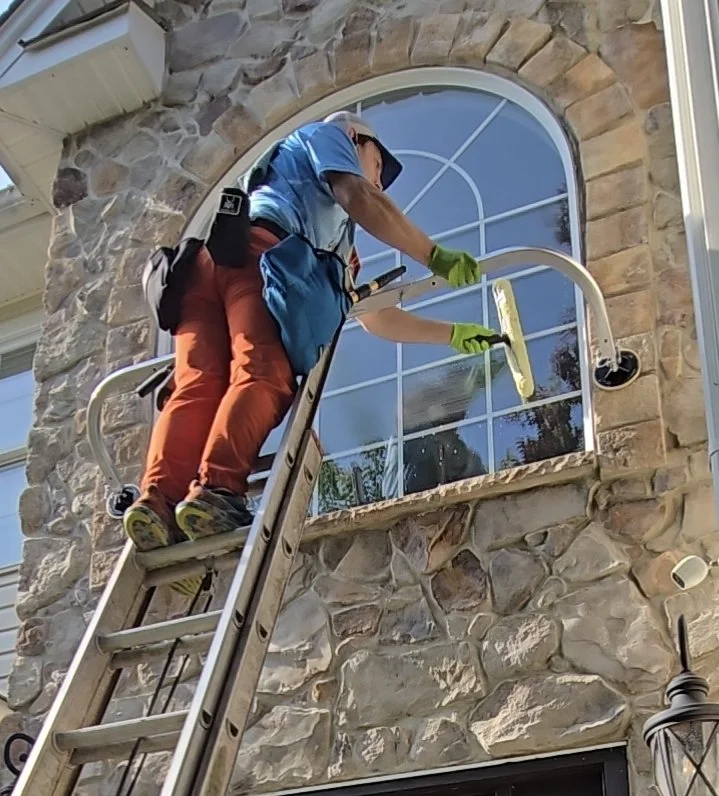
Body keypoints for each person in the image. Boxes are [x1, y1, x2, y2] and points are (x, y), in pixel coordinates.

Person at [123, 110, 497, 593]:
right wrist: (433, 255)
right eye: (379, 162)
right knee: (262, 374)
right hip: (262, 256)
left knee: (199, 385)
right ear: (357, 139)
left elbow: (372, 315)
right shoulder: (327, 140)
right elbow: (359, 195)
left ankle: (157, 501)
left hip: (205, 266)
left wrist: (450, 334)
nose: (381, 177)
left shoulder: (337, 237)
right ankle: (215, 490)